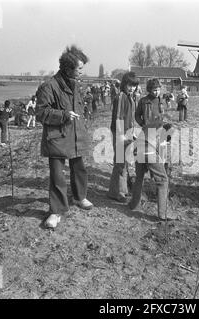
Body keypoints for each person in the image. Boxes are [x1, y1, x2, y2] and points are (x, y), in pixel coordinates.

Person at [36, 44, 94, 229]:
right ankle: (56, 211)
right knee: (57, 176)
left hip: (76, 136)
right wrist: (63, 115)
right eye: (80, 69)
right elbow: (40, 113)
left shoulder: (75, 85)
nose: (82, 72)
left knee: (80, 169)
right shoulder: (49, 86)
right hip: (57, 137)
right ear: (68, 68)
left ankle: (79, 198)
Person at [130, 78, 176, 220]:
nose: (157, 92)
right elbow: (137, 115)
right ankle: (163, 213)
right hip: (149, 139)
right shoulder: (143, 101)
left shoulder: (162, 101)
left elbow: (164, 117)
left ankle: (134, 204)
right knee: (162, 178)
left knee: (140, 175)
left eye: (158, 89)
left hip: (149, 139)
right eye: (154, 90)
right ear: (149, 90)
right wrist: (143, 123)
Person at [107, 72, 139, 203]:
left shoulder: (130, 97)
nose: (132, 88)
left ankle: (122, 190)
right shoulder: (121, 97)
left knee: (124, 163)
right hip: (120, 134)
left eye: (134, 86)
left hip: (127, 133)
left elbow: (129, 119)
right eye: (129, 85)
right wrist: (120, 135)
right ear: (124, 84)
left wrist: (132, 132)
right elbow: (119, 117)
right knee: (120, 163)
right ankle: (116, 192)